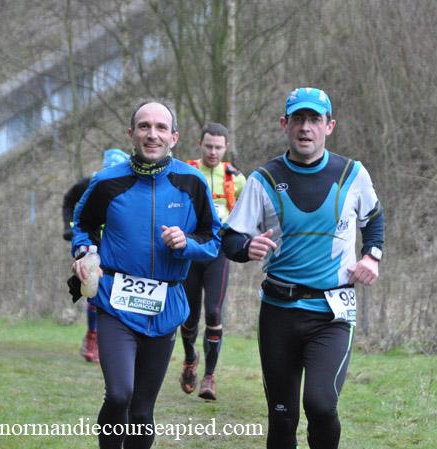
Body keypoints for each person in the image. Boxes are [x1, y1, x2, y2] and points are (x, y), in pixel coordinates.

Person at [221, 87, 384, 449]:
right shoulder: (263, 179)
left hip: (332, 312)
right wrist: (247, 247)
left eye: (314, 119)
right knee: (282, 416)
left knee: (321, 405)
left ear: (329, 126)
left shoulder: (352, 174)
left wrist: (371, 256)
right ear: (285, 124)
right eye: (298, 119)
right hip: (279, 312)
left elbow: (373, 219)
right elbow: (230, 238)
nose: (305, 127)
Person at [70, 100, 221, 449]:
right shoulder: (107, 181)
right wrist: (85, 252)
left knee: (141, 410)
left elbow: (213, 239)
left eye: (161, 127)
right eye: (144, 126)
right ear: (131, 134)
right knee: (119, 394)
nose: (152, 134)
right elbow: (84, 225)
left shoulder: (192, 182)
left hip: (164, 307)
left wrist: (186, 244)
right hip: (115, 303)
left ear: (174, 137)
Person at [178, 122, 246, 400]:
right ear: (200, 144)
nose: (213, 152)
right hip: (191, 249)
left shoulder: (236, 179)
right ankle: (189, 359)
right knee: (189, 316)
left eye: (218, 147)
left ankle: (209, 376)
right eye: (209, 146)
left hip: (218, 252)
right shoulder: (185, 172)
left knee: (214, 313)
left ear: (226, 147)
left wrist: (242, 240)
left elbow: (247, 214)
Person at [63, 148, 129, 363]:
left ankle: (114, 339)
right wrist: (69, 227)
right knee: (93, 289)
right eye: (107, 170)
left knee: (113, 293)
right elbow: (68, 200)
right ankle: (93, 336)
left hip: (117, 248)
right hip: (92, 246)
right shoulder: (89, 184)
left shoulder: (129, 186)